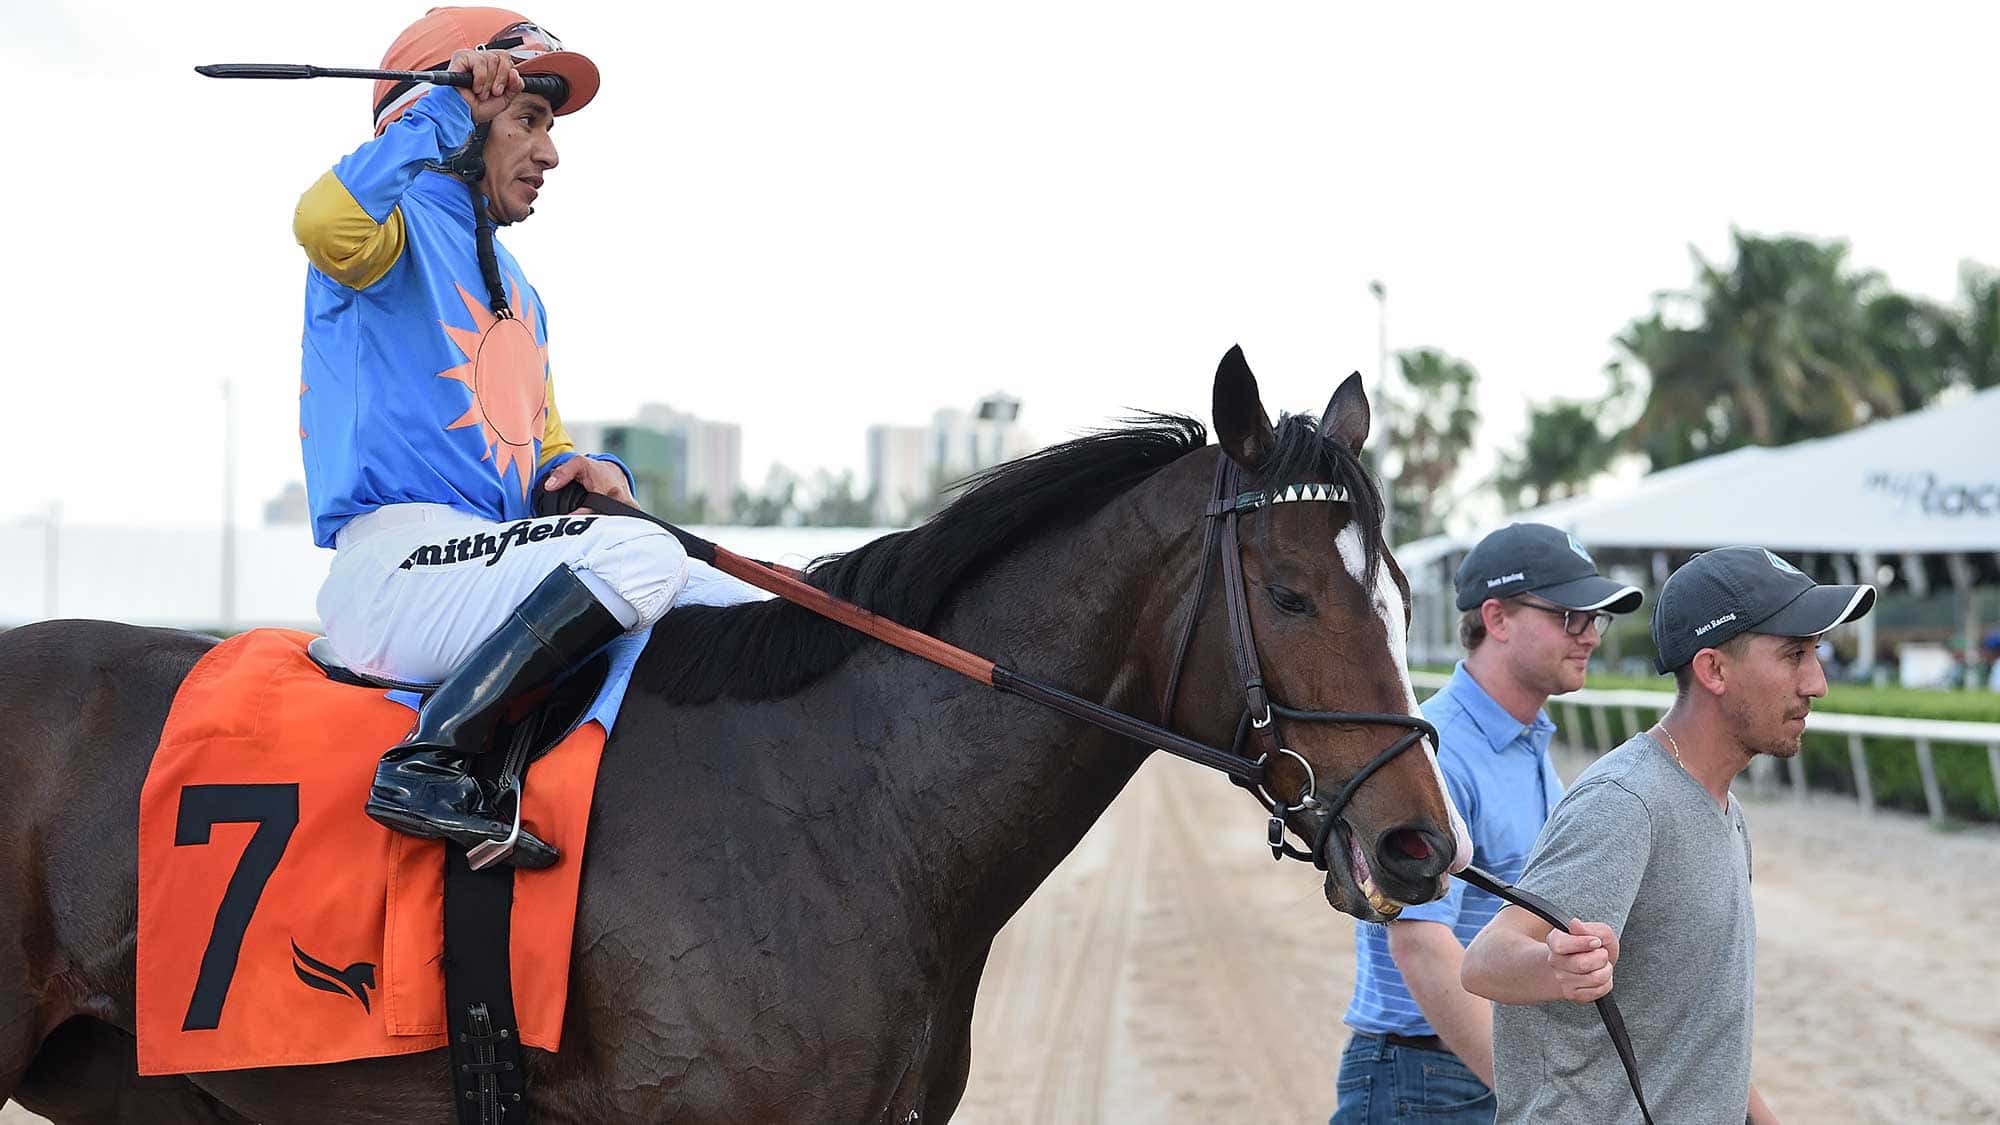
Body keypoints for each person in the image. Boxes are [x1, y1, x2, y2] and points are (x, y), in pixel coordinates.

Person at [294, 8, 759, 868]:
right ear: (460, 116)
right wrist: (446, 109)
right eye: (529, 121)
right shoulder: (387, 229)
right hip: (395, 575)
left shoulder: (520, 290)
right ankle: (429, 759)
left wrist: (586, 471)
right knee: (643, 559)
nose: (550, 153)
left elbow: (539, 444)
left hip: (489, 563)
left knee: (733, 598)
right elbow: (322, 222)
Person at [1461, 546, 1876, 1124]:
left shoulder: (1724, 808)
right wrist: (1554, 967)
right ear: (1713, 670)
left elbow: (1697, 1036)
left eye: (1816, 653)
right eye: (1794, 655)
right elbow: (1483, 961)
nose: (1817, 683)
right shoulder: (1625, 803)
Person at [1334, 524, 1641, 1124]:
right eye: (1570, 616)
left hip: (1465, 1067)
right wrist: (1531, 1098)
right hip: (1428, 1078)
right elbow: (1419, 945)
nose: (1589, 635)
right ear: (1496, 619)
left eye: (1595, 619)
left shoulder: (1524, 743)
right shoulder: (1440, 752)